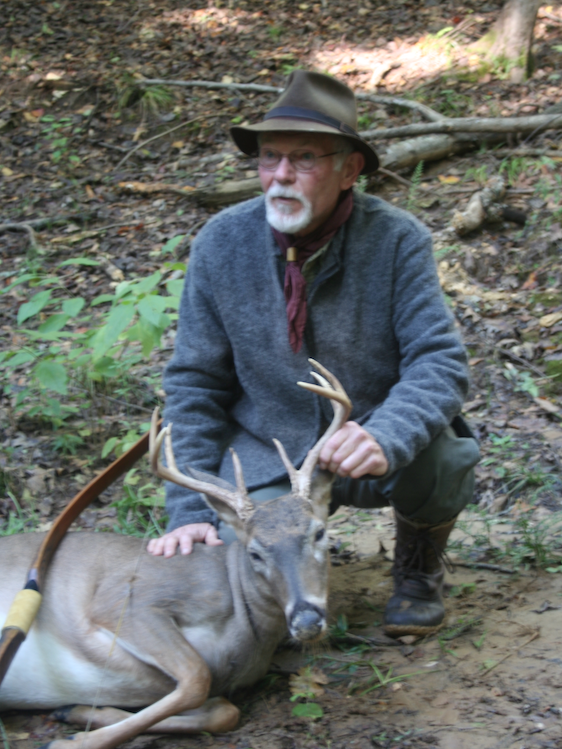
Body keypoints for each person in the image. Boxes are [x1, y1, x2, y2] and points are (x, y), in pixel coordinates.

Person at [147, 70, 480, 637]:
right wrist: (190, 512)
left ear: (349, 169)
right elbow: (195, 384)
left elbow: (440, 362)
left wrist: (386, 433)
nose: (279, 175)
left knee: (444, 455)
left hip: (364, 449)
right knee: (234, 578)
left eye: (303, 158)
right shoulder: (221, 244)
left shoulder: (397, 240)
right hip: (265, 457)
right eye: (269, 157)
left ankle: (418, 569)